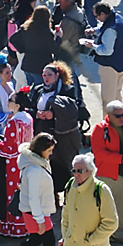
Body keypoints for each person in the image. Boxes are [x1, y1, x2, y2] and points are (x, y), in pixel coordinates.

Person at [0, 133, 57, 246]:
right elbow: (33, 197)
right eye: (49, 150)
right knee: (48, 241)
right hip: (36, 211)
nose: (51, 153)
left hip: (36, 210)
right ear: (41, 150)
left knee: (37, 240)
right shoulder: (34, 169)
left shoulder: (35, 163)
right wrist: (40, 220)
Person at [91, 100, 123, 245]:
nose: (122, 118)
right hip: (107, 175)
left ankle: (118, 233)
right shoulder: (100, 129)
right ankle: (102, 233)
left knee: (122, 206)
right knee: (104, 207)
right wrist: (120, 159)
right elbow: (99, 153)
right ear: (109, 115)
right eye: (118, 116)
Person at [59, 154, 117, 246]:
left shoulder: (101, 190)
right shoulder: (70, 186)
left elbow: (111, 223)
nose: (76, 174)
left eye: (80, 171)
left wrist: (91, 241)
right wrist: (65, 236)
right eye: (74, 170)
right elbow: (66, 215)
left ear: (90, 171)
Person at [30, 61, 82, 194]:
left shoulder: (67, 90)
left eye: (49, 75)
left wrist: (53, 114)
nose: (45, 78)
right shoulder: (37, 90)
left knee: (62, 166)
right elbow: (29, 108)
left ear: (57, 75)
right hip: (42, 133)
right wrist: (37, 114)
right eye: (43, 75)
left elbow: (72, 111)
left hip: (61, 136)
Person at [0, 87, 33, 237]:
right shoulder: (28, 118)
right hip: (26, 160)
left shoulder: (13, 122)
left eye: (10, 100)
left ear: (17, 105)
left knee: (12, 192)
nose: (8, 102)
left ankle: (13, 225)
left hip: (13, 163)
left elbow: (8, 147)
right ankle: (25, 224)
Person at [84, 2, 123, 114]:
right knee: (117, 95)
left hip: (110, 67)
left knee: (108, 100)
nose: (96, 19)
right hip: (121, 64)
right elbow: (104, 27)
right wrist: (94, 30)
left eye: (96, 16)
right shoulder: (117, 18)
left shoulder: (110, 29)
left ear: (103, 14)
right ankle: (119, 119)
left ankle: (108, 124)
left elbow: (106, 50)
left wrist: (92, 46)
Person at [10, 5, 63, 87]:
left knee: (30, 89)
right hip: (41, 67)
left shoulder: (26, 28)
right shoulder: (47, 33)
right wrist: (58, 37)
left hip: (27, 65)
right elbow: (54, 49)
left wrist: (23, 49)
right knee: (39, 90)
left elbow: (12, 39)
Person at [56, 0, 86, 66]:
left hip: (67, 53)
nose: (58, 2)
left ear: (67, 1)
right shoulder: (79, 11)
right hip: (75, 49)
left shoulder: (68, 20)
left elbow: (62, 39)